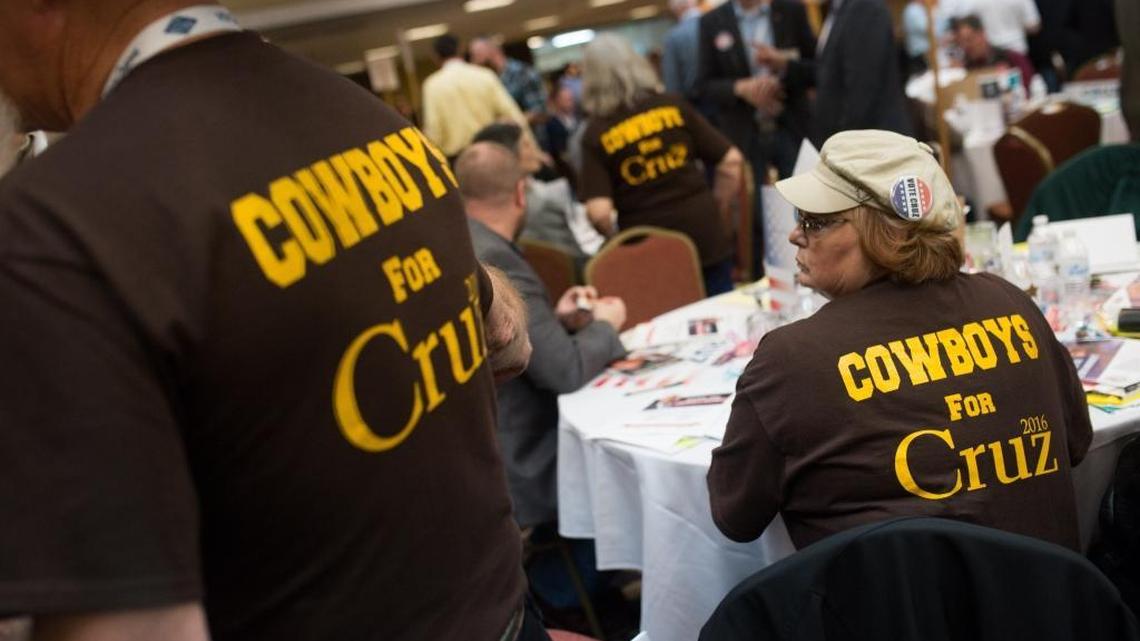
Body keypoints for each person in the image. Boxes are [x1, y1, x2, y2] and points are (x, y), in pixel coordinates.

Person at [0, 2, 545, 640]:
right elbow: (506, 338)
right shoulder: (373, 121)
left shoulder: (55, 225)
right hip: (511, 617)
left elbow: (140, 629)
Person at [708, 130, 1092, 552]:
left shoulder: (791, 358)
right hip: (1048, 591)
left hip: (891, 597)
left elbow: (734, 514)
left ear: (880, 233)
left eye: (815, 221)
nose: (795, 234)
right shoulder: (1010, 302)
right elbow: (1077, 442)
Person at [458, 141, 627, 528]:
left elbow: (500, 342)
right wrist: (606, 323)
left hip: (480, 456)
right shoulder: (496, 259)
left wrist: (556, 321)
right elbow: (565, 370)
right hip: (530, 461)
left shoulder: (462, 243)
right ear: (521, 193)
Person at [579, 34, 745, 296]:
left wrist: (614, 238)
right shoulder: (673, 105)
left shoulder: (595, 133)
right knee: (723, 310)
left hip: (648, 249)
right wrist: (719, 206)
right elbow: (731, 161)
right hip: (703, 233)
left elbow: (599, 213)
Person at [695, 0, 817, 277]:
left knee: (807, 209)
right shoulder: (713, 22)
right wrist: (741, 88)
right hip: (745, 135)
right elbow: (702, 87)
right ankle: (767, 282)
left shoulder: (790, 10)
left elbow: (817, 69)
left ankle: (814, 277)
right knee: (756, 220)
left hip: (791, 128)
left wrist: (785, 67)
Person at [421, 33, 529, 160]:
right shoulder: (484, 75)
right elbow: (513, 114)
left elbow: (434, 131)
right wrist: (530, 148)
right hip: (493, 152)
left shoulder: (432, 85)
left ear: (435, 56)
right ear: (461, 50)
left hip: (459, 159)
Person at [470, 37, 548, 128]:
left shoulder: (522, 73)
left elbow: (540, 112)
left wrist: (509, 123)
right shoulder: (488, 80)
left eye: (477, 55)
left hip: (528, 134)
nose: (474, 62)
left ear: (493, 52)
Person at [951, 15, 1037, 93]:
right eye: (961, 43)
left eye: (969, 39)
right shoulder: (965, 71)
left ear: (982, 34)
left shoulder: (1013, 58)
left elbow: (1030, 88)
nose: (966, 46)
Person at [951, 0, 1040, 55]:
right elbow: (1033, 26)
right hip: (1016, 46)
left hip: (992, 48)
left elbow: (963, 21)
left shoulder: (973, 2)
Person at [661, 0, 705, 101]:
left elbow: (672, 83)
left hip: (694, 103)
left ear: (676, 8)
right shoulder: (717, 24)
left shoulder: (673, 37)